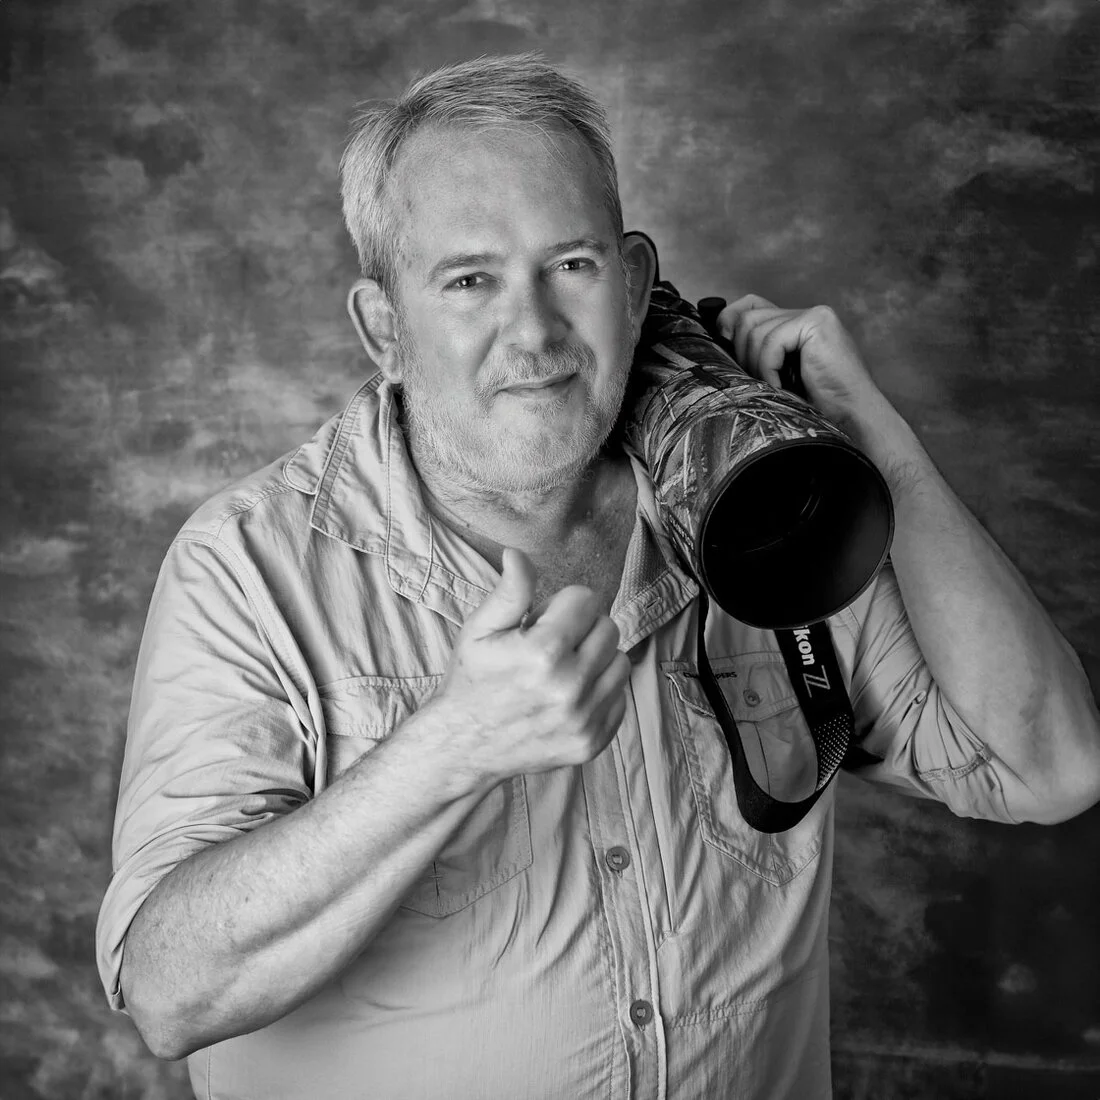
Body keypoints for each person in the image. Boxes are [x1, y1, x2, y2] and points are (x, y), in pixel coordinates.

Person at [95, 53, 1100, 1100]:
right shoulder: (246, 567)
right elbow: (169, 992)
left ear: (629, 282)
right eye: (469, 279)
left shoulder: (758, 512)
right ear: (384, 329)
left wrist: (872, 442)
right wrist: (448, 748)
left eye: (567, 265)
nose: (531, 333)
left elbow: (1046, 763)